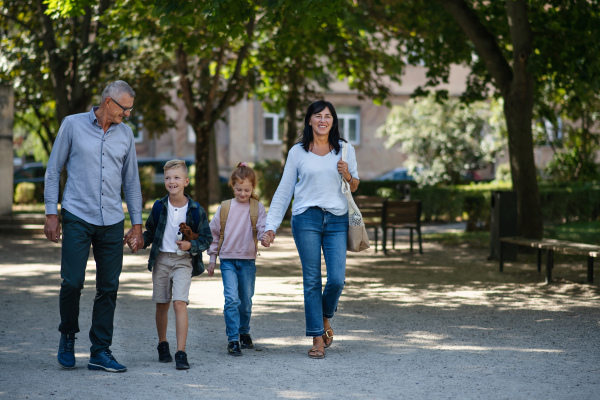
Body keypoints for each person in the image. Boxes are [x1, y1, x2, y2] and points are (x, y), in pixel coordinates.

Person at [44, 80, 144, 372]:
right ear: (109, 102)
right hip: (77, 214)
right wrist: (52, 213)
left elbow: (132, 183)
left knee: (109, 287)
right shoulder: (72, 125)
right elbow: (53, 170)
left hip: (111, 220)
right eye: (125, 109)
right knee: (72, 281)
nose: (127, 115)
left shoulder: (126, 135)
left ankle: (100, 351)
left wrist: (136, 225)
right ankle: (67, 336)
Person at [262, 100, 360, 359]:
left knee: (337, 279)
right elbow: (284, 191)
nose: (323, 120)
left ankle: (326, 317)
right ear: (309, 120)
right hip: (306, 219)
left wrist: (348, 175)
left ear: (333, 121)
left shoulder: (345, 150)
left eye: (328, 116)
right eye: (317, 116)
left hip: (337, 219)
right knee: (312, 280)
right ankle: (317, 338)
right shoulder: (297, 152)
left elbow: (356, 184)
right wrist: (270, 227)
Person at [128, 159, 212, 370]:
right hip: (162, 260)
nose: (171, 181)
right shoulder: (158, 206)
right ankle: (162, 343)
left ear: (186, 181)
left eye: (176, 178)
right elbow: (149, 232)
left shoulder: (195, 210)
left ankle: (181, 352)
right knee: (162, 304)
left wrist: (190, 245)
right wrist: (140, 241)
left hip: (184, 261)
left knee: (179, 303)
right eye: (167, 178)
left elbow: (206, 239)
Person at [207, 163, 267, 356]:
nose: (243, 193)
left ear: (253, 188)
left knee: (246, 301)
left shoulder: (257, 208)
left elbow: (263, 231)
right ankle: (233, 339)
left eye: (247, 190)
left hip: (248, 261)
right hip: (227, 261)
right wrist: (211, 259)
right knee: (231, 300)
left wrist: (266, 238)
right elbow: (214, 234)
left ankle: (244, 331)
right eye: (239, 189)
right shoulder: (225, 207)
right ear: (232, 186)